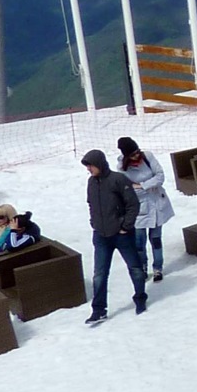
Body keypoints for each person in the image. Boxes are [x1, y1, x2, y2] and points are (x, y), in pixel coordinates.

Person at [81, 149, 146, 324]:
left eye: (90, 165)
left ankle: (140, 298)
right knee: (99, 274)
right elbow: (91, 204)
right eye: (87, 166)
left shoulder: (118, 179)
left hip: (122, 235)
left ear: (99, 163)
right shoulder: (91, 183)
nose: (88, 169)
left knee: (135, 269)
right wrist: (94, 222)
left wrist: (125, 226)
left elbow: (133, 204)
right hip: (101, 236)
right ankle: (99, 310)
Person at [116, 136, 174, 284]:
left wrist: (142, 185)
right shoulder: (122, 169)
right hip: (140, 210)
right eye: (133, 154)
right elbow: (128, 190)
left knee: (156, 240)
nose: (137, 156)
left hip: (157, 205)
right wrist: (147, 185)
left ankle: (157, 269)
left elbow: (160, 176)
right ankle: (142, 268)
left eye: (137, 152)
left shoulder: (148, 157)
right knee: (139, 242)